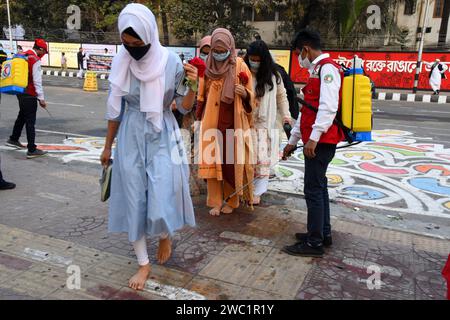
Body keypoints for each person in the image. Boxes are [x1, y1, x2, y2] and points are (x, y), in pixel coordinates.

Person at [100, 3, 197, 291]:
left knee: (161, 192)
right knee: (133, 199)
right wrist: (107, 147)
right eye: (125, 43)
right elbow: (115, 110)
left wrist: (194, 85)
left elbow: (183, 106)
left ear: (149, 35)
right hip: (130, 133)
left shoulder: (171, 62)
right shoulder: (121, 61)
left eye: (136, 43)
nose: (131, 49)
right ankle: (143, 262)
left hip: (162, 131)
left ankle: (165, 232)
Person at [282, 29, 344, 258]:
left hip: (320, 143)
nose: (299, 58)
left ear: (305, 49)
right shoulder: (317, 71)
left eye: (299, 53)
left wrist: (314, 138)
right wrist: (292, 142)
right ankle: (322, 233)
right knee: (319, 187)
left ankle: (314, 242)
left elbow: (328, 108)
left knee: (313, 190)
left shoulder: (327, 69)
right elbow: (307, 112)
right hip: (315, 141)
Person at [196, 28, 255, 216]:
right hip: (211, 122)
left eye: (223, 51)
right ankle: (215, 201)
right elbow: (201, 94)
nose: (220, 54)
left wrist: (245, 94)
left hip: (232, 123)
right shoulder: (207, 65)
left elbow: (251, 95)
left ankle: (232, 200)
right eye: (216, 51)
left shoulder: (239, 65)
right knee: (213, 165)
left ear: (230, 47)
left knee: (230, 165)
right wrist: (198, 118)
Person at [244, 40, 291, 205]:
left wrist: (286, 115)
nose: (254, 62)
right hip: (246, 122)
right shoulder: (242, 73)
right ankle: (245, 188)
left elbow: (282, 97)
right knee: (246, 157)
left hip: (265, 123)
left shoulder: (274, 76)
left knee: (262, 158)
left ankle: (257, 191)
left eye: (257, 59)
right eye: (252, 58)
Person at [6, 39, 49, 159]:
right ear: (40, 49)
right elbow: (37, 81)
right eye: (44, 51)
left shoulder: (23, 55)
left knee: (22, 116)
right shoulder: (35, 60)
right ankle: (32, 149)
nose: (44, 53)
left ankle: (14, 139)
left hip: (20, 91)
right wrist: (41, 99)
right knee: (30, 121)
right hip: (29, 93)